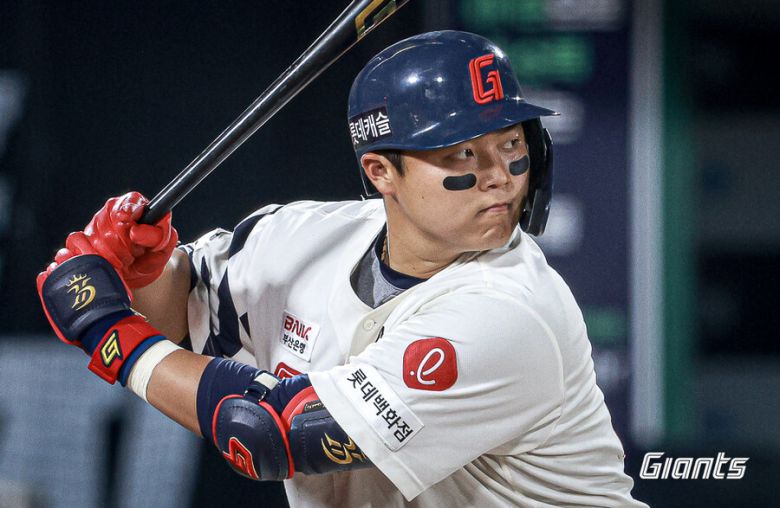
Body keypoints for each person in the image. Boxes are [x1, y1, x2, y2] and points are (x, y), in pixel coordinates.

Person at [37, 31, 647, 507]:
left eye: (511, 145)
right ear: (381, 172)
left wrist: (107, 331)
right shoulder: (303, 237)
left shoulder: (509, 311)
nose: (499, 177)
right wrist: (144, 270)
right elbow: (181, 314)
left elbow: (273, 434)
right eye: (463, 152)